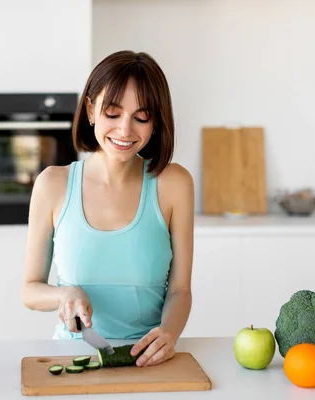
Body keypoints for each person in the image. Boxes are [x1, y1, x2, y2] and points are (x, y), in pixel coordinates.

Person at [22, 50, 194, 368]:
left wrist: (168, 334)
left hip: (149, 359)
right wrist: (64, 294)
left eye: (141, 117)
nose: (125, 130)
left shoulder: (175, 184)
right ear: (90, 110)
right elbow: (30, 290)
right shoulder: (52, 184)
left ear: (156, 121)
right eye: (112, 113)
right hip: (72, 355)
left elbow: (181, 289)